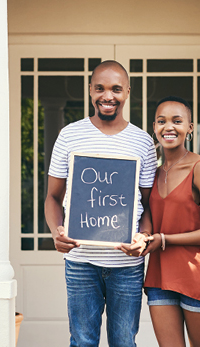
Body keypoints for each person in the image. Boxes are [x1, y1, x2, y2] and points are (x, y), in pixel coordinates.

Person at [44, 60, 157, 347]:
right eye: (100, 88)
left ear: (127, 92)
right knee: (82, 342)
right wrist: (56, 230)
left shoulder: (142, 142)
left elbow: (149, 205)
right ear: (90, 90)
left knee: (123, 342)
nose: (108, 96)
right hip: (81, 262)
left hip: (127, 264)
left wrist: (142, 238)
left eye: (116, 89)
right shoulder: (69, 135)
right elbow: (53, 198)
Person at [140, 96, 200, 347]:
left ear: (190, 127)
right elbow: (147, 213)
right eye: (161, 121)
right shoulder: (154, 173)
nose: (169, 127)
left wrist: (165, 240)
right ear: (154, 127)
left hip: (197, 277)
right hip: (160, 278)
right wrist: (143, 237)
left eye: (177, 121)